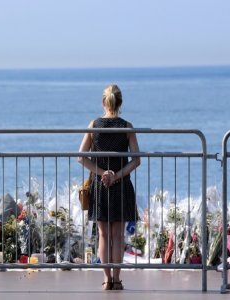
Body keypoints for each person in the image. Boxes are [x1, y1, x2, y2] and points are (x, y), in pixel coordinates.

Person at [78, 84, 140, 291]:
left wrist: (102, 173)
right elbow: (136, 160)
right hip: (121, 185)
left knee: (103, 236)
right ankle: (117, 279)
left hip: (100, 185)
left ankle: (106, 279)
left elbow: (81, 157)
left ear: (103, 102)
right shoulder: (127, 127)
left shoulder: (94, 125)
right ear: (120, 102)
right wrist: (116, 174)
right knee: (118, 235)